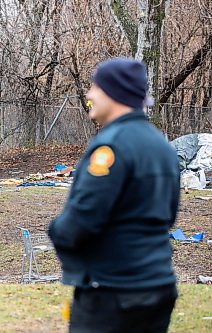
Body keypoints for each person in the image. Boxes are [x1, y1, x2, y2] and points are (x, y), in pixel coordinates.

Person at [48, 58, 180, 333]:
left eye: (95, 86)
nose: (89, 95)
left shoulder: (112, 146)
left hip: (113, 290)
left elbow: (82, 219)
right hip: (158, 285)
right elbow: (168, 215)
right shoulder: (161, 145)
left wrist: (56, 230)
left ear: (114, 92)